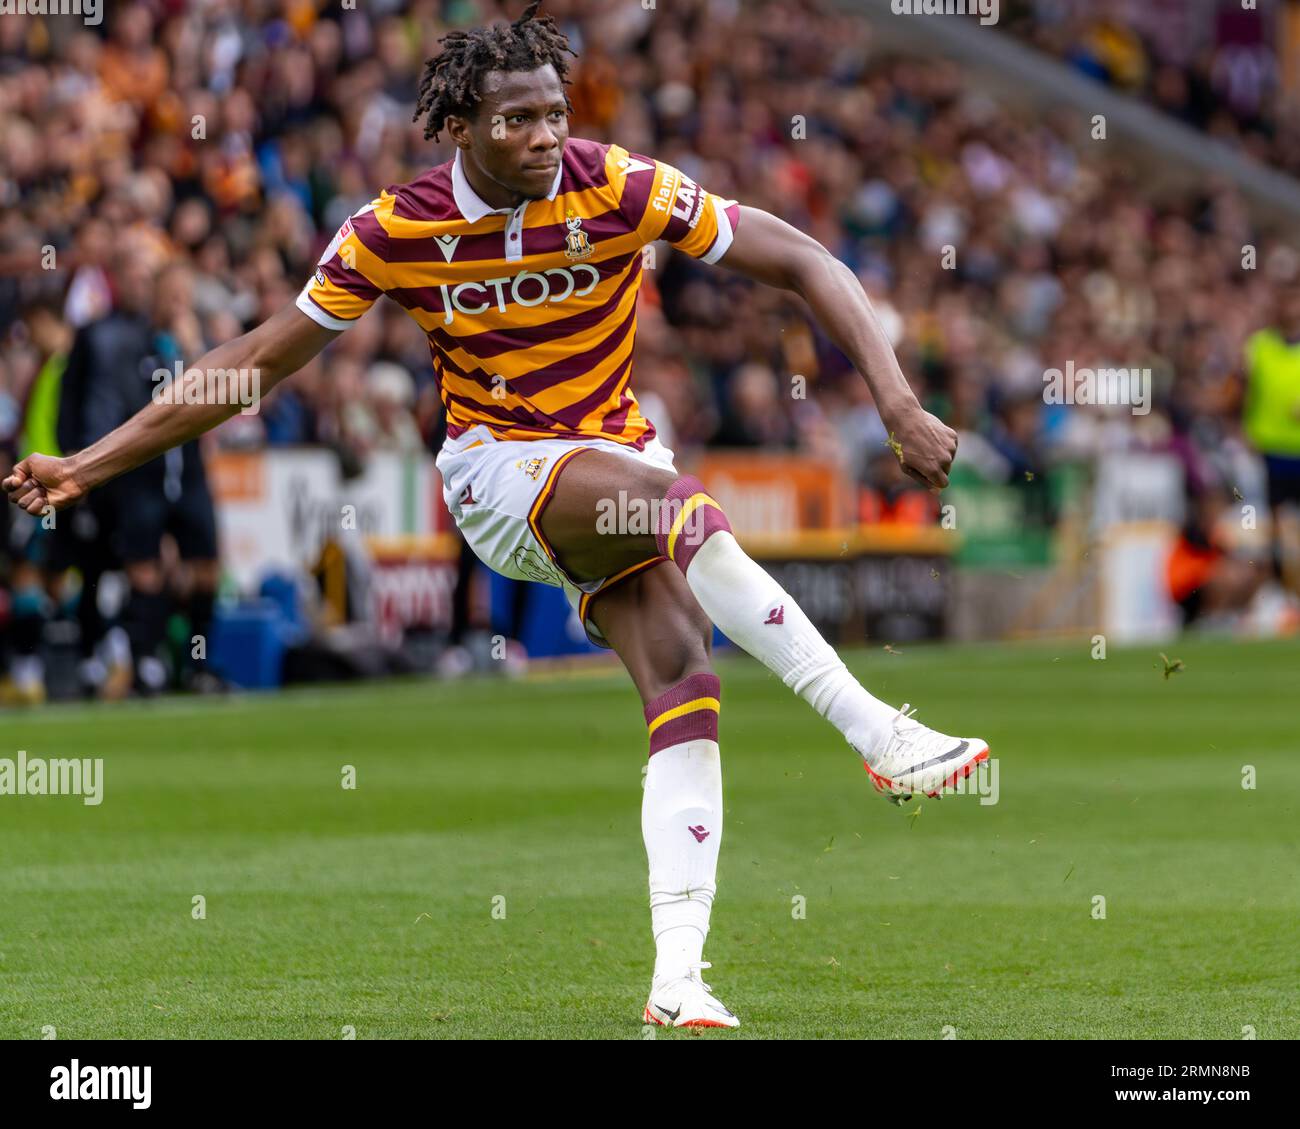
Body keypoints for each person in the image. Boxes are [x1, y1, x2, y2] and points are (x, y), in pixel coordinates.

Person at [4, 2, 986, 1029]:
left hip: (608, 457)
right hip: (497, 472)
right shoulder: (396, 229)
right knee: (677, 508)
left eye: (555, 113)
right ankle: (876, 731)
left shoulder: (618, 183)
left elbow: (804, 261)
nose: (546, 136)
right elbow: (248, 365)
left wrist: (897, 398)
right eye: (518, 119)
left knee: (685, 675)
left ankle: (677, 978)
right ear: (462, 126)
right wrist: (88, 462)